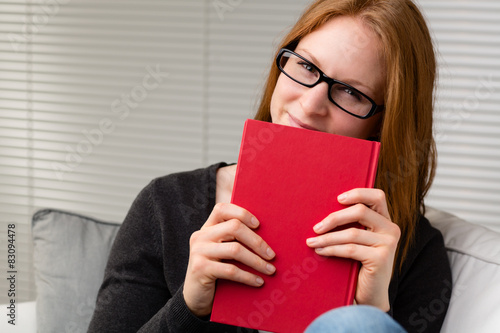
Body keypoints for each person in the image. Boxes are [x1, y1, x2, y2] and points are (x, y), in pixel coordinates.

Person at [88, 0, 452, 332]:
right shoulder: (165, 206)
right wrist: (190, 305)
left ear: (383, 124)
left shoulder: (414, 250)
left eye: (351, 92)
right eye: (306, 66)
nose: (310, 105)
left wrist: (373, 311)